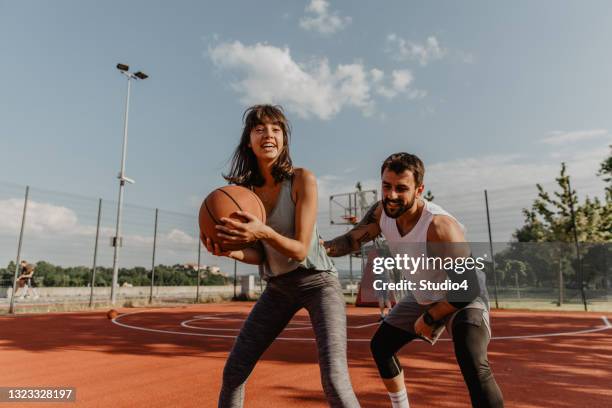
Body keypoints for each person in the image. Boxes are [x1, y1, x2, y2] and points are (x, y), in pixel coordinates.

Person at [202, 105, 360, 408]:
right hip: (278, 287)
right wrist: (230, 250)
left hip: (318, 283)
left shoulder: (302, 179)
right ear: (249, 140)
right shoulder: (245, 193)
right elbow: (261, 254)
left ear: (284, 139)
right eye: (260, 129)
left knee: (335, 380)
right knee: (234, 371)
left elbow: (300, 250)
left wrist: (262, 232)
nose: (269, 135)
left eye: (276, 129)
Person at [324, 153, 503, 408]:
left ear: (419, 190)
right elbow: (350, 240)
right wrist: (319, 248)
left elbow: (466, 288)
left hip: (462, 293)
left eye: (401, 188)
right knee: (381, 347)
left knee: (472, 358)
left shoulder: (440, 227)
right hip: (425, 291)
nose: (392, 195)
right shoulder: (380, 213)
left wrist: (430, 317)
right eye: (386, 186)